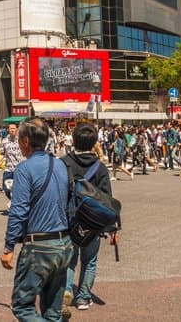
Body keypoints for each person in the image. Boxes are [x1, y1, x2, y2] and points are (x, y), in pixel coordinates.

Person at [1, 119, 71, 322]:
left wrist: (8, 247)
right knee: (52, 309)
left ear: (25, 140)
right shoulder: (59, 164)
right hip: (64, 242)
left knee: (22, 306)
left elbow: (19, 211)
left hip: (39, 245)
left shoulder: (24, 168)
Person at [62, 123, 118, 312]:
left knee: (69, 260)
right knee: (89, 260)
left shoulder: (64, 162)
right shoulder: (100, 167)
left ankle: (66, 292)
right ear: (95, 142)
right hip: (92, 223)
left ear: (73, 139)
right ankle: (84, 297)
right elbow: (107, 199)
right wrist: (112, 229)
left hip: (68, 220)